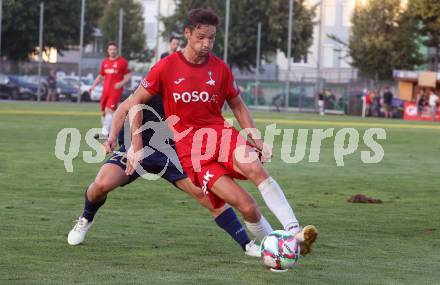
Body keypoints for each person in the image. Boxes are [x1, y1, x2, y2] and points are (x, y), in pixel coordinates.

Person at [126, 8, 317, 257]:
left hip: (220, 135)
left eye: (212, 38)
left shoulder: (220, 69)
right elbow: (135, 103)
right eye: (201, 37)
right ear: (187, 33)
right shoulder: (165, 68)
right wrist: (136, 144)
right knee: (247, 207)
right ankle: (277, 250)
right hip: (192, 154)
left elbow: (237, 104)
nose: (207, 44)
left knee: (255, 168)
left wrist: (256, 138)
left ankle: (294, 232)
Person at [67, 97, 261, 257]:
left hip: (172, 153)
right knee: (101, 185)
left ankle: (246, 243)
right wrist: (111, 138)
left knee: (207, 196)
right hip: (137, 150)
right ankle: (86, 218)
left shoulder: (189, 97)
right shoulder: (151, 88)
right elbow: (122, 110)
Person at [90, 42, 132, 139]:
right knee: (104, 112)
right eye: (110, 49)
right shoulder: (105, 62)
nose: (112, 51)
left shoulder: (122, 62)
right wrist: (93, 86)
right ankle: (114, 129)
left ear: (117, 50)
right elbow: (101, 76)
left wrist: (120, 83)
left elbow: (128, 76)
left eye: (114, 49)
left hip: (115, 91)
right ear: (108, 51)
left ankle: (104, 133)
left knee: (109, 110)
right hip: (105, 91)